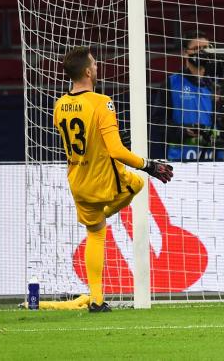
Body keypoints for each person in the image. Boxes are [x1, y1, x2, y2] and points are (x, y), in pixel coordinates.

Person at [53, 46, 174, 312]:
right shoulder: (101, 102)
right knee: (139, 183)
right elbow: (116, 150)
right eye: (94, 65)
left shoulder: (60, 104)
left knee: (96, 233)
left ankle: (96, 300)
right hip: (104, 179)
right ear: (87, 71)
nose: (97, 68)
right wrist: (149, 165)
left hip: (78, 182)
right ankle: (107, 212)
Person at [162, 31, 224, 161]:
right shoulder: (171, 83)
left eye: (206, 49)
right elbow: (158, 121)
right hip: (180, 160)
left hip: (215, 161)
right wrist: (183, 132)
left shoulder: (219, 85)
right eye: (197, 49)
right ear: (185, 52)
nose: (202, 53)